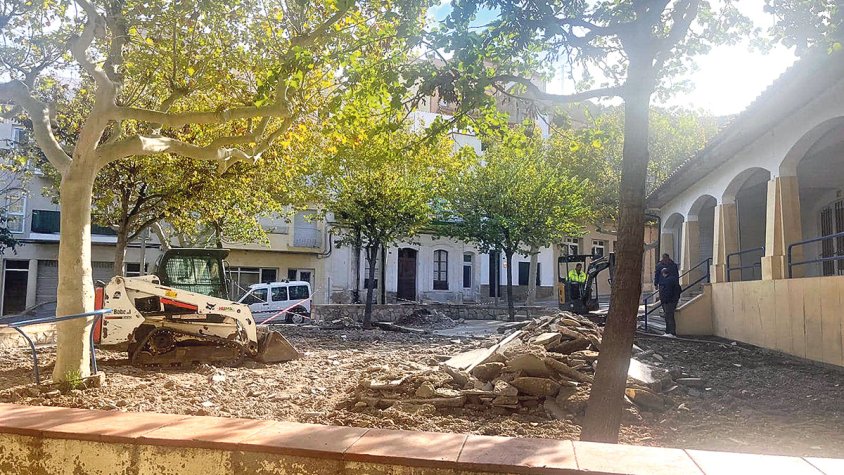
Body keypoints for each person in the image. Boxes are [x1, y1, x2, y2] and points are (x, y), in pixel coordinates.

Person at [658, 267, 682, 337]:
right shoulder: (674, 279)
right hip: (672, 300)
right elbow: (679, 290)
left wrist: (665, 300)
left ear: (663, 273)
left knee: (669, 316)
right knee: (668, 316)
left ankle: (671, 332)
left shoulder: (667, 281)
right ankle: (668, 331)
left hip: (668, 301)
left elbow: (667, 292)